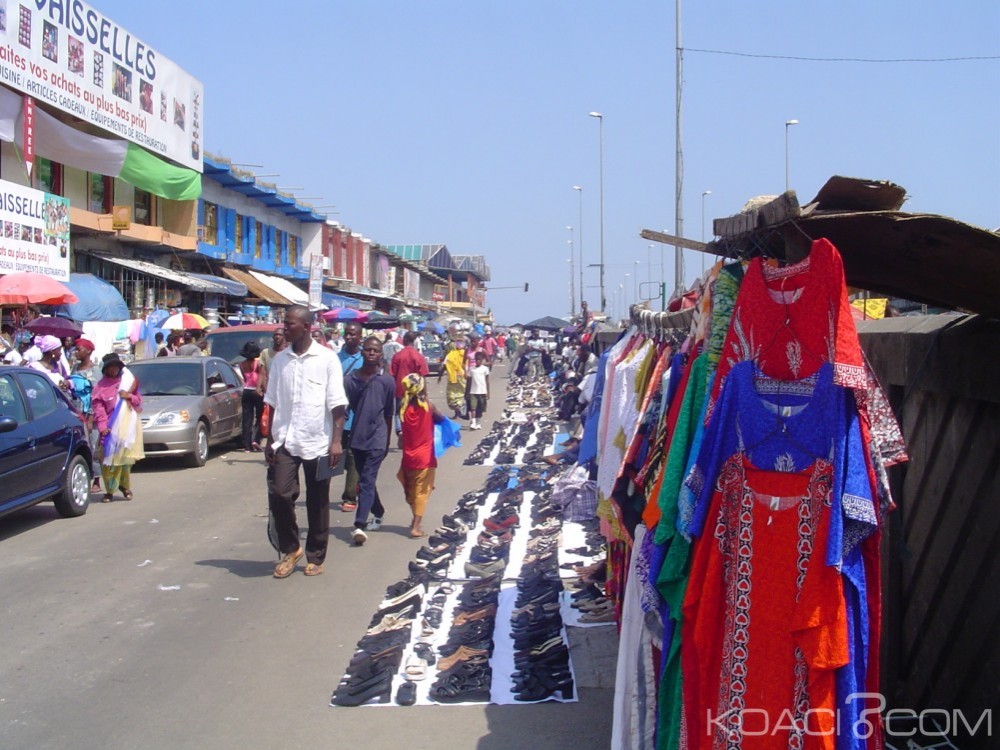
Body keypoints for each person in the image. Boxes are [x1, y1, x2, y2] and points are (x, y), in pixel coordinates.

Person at [263, 305, 347, 578]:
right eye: (284, 324)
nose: (284, 328)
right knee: (280, 494)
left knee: (318, 500)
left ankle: (316, 554)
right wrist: (269, 440)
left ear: (307, 327)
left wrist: (336, 442)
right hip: (286, 439)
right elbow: (272, 402)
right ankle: (291, 548)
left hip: (318, 440)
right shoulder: (280, 361)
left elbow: (337, 405)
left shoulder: (326, 359)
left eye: (289, 324)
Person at [344, 336, 396, 545]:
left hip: (378, 437)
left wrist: (387, 441)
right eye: (368, 350)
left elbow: (389, 413)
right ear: (362, 352)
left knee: (367, 479)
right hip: (357, 437)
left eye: (375, 350)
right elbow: (347, 408)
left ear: (381, 355)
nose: (371, 353)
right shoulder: (350, 381)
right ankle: (378, 510)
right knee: (365, 481)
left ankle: (359, 524)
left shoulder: (387, 381)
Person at [397, 373, 446, 537]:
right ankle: (416, 527)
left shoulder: (403, 408)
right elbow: (440, 419)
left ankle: (414, 519)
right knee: (422, 492)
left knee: (411, 489)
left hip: (408, 456)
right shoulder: (427, 406)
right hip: (425, 456)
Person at [92, 353, 143, 503]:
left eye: (116, 367)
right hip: (110, 429)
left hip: (127, 429)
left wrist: (128, 396)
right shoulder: (100, 387)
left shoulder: (127, 383)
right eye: (110, 367)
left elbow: (138, 401)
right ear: (106, 369)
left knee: (125, 460)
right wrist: (102, 426)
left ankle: (124, 486)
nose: (113, 370)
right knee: (109, 461)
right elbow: (98, 409)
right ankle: (110, 491)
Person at [70, 338, 104, 493]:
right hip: (77, 411)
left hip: (90, 415)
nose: (76, 352)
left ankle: (96, 479)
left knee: (93, 446)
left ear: (88, 351)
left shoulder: (94, 370)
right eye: (76, 349)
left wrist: (90, 418)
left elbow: (95, 396)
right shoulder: (75, 368)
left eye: (79, 349)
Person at [337, 321, 364, 513]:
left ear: (360, 337)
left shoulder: (366, 357)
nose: (349, 337)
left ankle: (350, 496)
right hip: (338, 415)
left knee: (353, 456)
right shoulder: (335, 358)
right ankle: (357, 483)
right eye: (346, 334)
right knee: (342, 456)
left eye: (353, 334)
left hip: (359, 416)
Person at [239, 341, 264, 452]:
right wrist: (262, 389)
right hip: (257, 391)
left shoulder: (242, 364)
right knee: (259, 416)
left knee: (247, 418)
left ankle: (246, 445)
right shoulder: (258, 364)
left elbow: (245, 379)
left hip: (247, 391)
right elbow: (262, 377)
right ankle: (256, 440)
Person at [439, 339, 467, 419]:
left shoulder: (450, 354)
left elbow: (444, 365)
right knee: (461, 395)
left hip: (453, 378)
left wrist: (440, 375)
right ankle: (459, 411)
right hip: (463, 378)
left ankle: (458, 411)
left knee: (452, 397)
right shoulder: (465, 353)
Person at [467, 350, 490, 430]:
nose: (478, 361)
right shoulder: (472, 369)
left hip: (482, 391)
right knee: (473, 407)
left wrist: (488, 392)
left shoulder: (485, 369)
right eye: (476, 360)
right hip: (473, 391)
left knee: (480, 408)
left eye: (479, 360)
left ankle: (478, 422)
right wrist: (467, 392)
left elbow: (487, 381)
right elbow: (469, 381)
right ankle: (473, 422)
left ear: (482, 360)